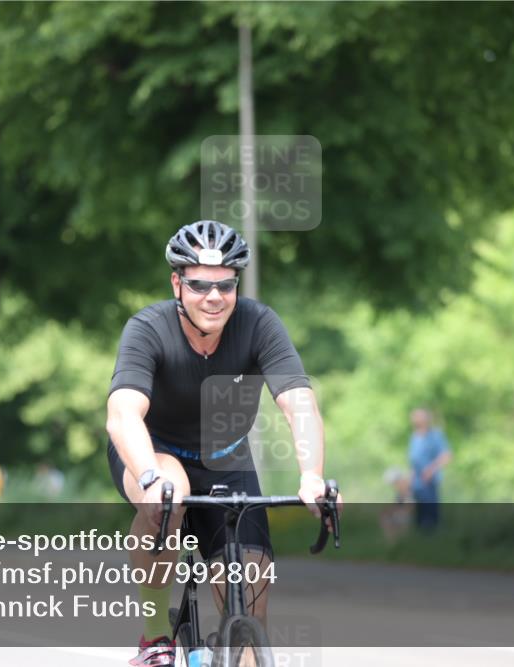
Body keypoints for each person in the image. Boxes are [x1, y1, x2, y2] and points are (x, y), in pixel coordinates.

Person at [106, 220, 339, 666]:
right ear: (177, 283)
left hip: (224, 459)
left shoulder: (258, 324)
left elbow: (299, 404)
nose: (213, 297)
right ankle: (155, 635)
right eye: (199, 285)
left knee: (251, 605)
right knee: (168, 498)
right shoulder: (148, 328)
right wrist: (149, 477)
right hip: (154, 450)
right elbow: (122, 414)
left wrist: (311, 476)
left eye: (225, 286)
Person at [407, 409, 451, 531]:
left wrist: (431, 470)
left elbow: (446, 455)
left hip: (429, 481)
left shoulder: (435, 435)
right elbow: (413, 461)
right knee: (417, 514)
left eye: (417, 417)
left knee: (430, 516)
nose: (414, 420)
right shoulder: (414, 436)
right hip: (416, 482)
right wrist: (409, 480)